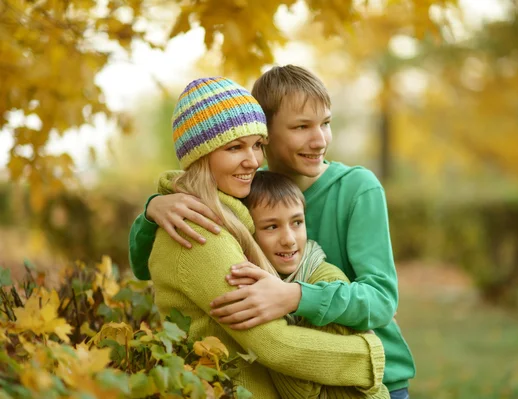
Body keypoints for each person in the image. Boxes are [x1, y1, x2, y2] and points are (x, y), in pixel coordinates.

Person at [130, 66, 415, 399]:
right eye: (301, 127)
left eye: (326, 123)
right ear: (267, 129)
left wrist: (294, 297)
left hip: (376, 376)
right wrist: (154, 210)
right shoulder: (248, 189)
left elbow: (382, 300)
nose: (319, 139)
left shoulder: (357, 189)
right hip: (302, 376)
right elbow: (152, 263)